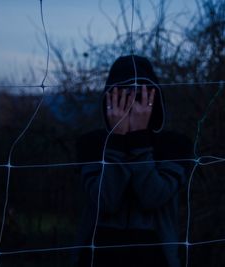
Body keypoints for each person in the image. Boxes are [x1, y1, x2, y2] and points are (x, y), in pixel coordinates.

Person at [74, 55, 193, 267]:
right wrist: (118, 139)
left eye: (139, 96)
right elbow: (107, 201)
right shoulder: (90, 144)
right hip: (96, 258)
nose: (130, 104)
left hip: (157, 259)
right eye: (121, 95)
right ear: (108, 98)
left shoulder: (175, 146)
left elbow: (152, 197)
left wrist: (139, 139)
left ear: (153, 98)